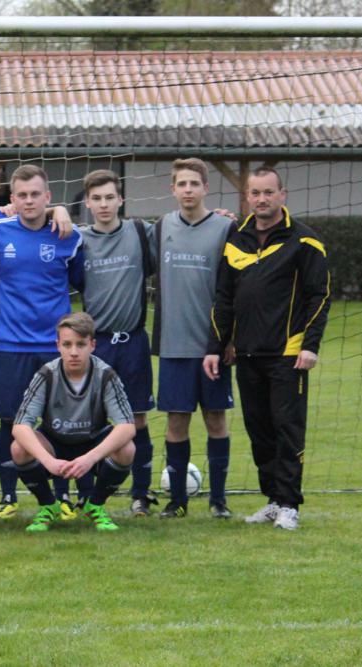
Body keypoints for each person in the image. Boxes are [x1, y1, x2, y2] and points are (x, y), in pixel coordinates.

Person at [204, 167, 330, 531]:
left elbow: (320, 296)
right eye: (255, 193)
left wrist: (309, 345)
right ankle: (273, 500)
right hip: (245, 354)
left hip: (289, 355)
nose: (262, 199)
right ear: (247, 197)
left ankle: (290, 504)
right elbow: (223, 298)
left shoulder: (305, 241)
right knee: (259, 431)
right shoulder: (235, 240)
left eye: (268, 192)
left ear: (282, 194)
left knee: (287, 429)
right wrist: (216, 346)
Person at [0, 164, 84, 519]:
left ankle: (63, 495)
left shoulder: (69, 235)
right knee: (10, 421)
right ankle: (8, 496)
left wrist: (61, 213)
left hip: (53, 347)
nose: (29, 201)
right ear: (12, 199)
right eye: (22, 195)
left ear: (48, 197)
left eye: (35, 195)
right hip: (10, 346)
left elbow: (80, 283)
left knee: (58, 423)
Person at [70, 169, 157, 518]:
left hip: (133, 340)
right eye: (97, 198)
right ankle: (85, 493)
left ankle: (141, 494)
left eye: (109, 197)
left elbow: (180, 233)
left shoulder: (141, 231)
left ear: (120, 199)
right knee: (86, 420)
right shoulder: (78, 240)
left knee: (137, 419)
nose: (104, 204)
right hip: (97, 344)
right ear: (88, 204)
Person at [153, 158, 237, 519]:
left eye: (194, 183)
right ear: (173, 189)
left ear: (206, 187)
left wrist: (228, 339)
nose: (188, 190)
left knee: (216, 419)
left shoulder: (226, 227)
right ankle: (177, 501)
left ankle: (218, 501)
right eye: (182, 184)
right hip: (174, 344)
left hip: (212, 348)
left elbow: (235, 287)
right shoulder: (161, 227)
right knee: (176, 422)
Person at [10, 312, 136, 532]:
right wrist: (48, 461)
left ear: (92, 345)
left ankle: (94, 505)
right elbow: (20, 426)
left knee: (127, 449)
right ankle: (48, 506)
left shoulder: (106, 375)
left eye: (81, 344)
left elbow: (127, 426)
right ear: (58, 345)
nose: (74, 352)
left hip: (92, 443)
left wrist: (90, 458)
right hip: (54, 443)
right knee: (19, 448)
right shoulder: (46, 374)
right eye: (67, 344)